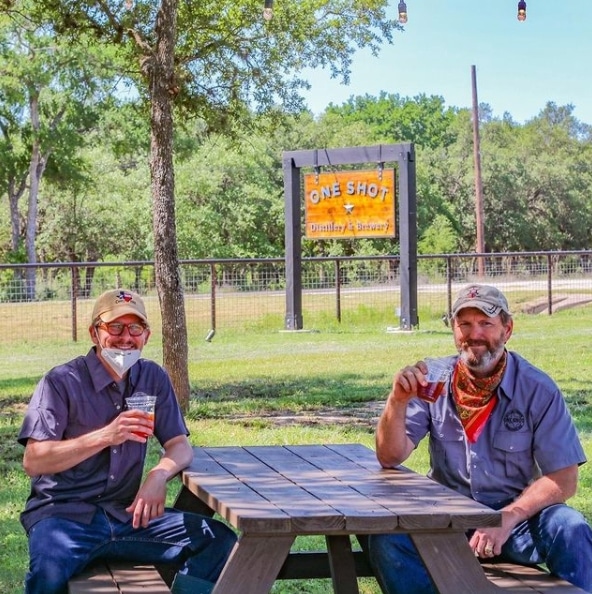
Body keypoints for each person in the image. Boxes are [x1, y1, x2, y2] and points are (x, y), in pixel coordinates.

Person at [367, 284, 592, 594]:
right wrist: (398, 400)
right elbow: (390, 457)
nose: (475, 334)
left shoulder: (538, 389)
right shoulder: (432, 379)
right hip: (449, 522)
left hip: (517, 524)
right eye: (465, 324)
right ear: (454, 329)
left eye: (486, 323)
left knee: (570, 527)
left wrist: (505, 518)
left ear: (507, 329)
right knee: (385, 537)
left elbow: (564, 480)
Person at [18, 288, 237, 594]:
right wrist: (107, 435)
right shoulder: (61, 381)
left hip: (127, 514)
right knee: (48, 573)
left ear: (146, 336)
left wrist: (157, 476)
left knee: (219, 541)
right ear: (95, 333)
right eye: (115, 327)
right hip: (64, 516)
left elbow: (179, 444)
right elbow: (34, 460)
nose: (125, 338)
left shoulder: (152, 378)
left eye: (135, 328)